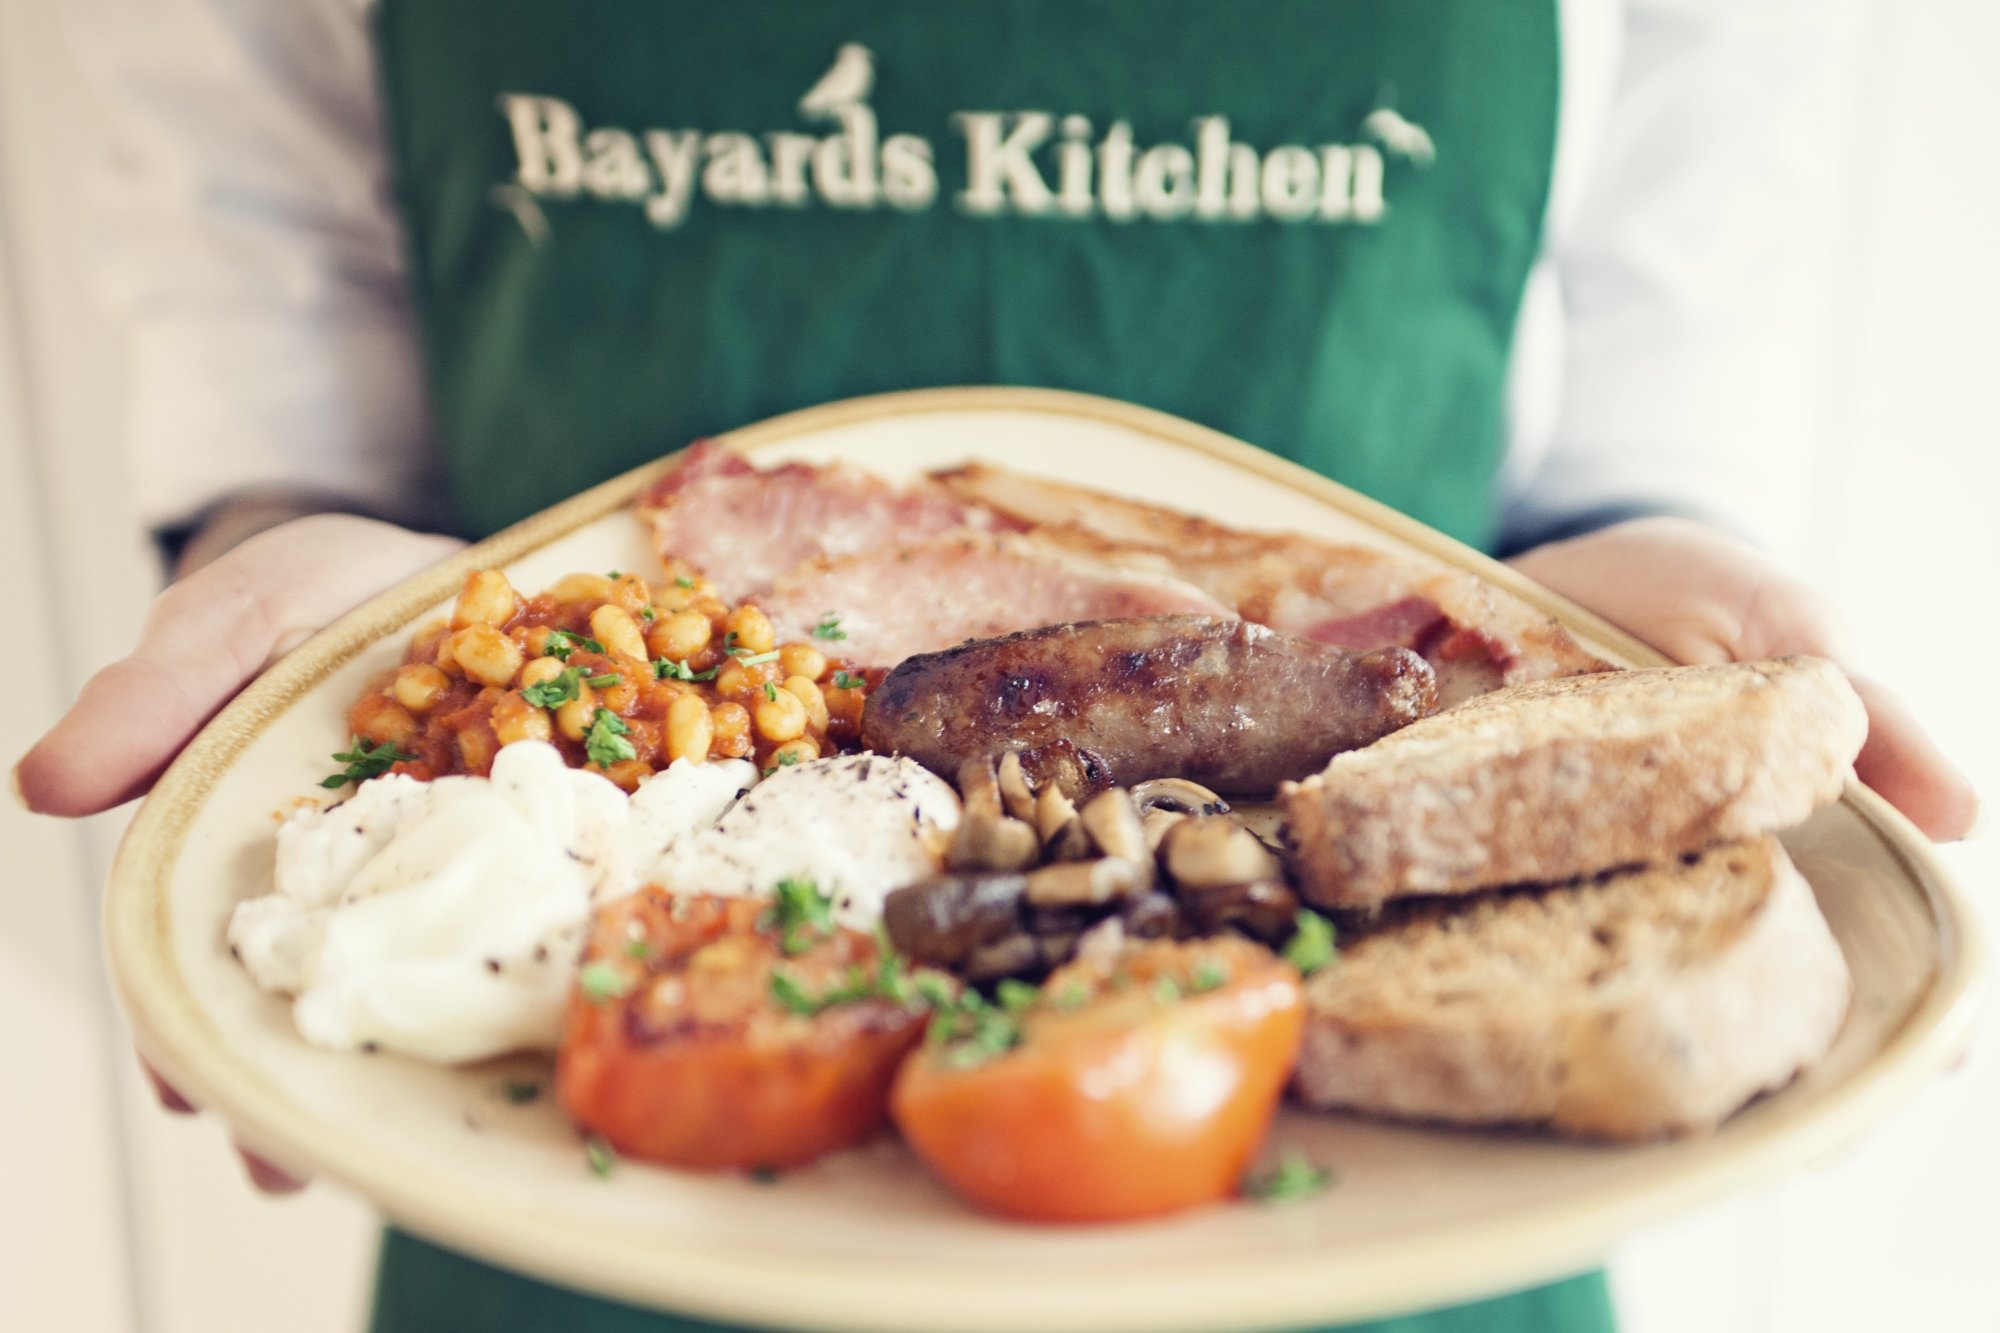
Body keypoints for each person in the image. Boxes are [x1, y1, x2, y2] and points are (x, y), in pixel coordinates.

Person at [16, 0, 1980, 1331]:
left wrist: (1621, 596)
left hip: (1406, 1225)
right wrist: (285, 564)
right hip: (592, 1127)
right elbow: (253, 248)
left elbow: (1672, 291)